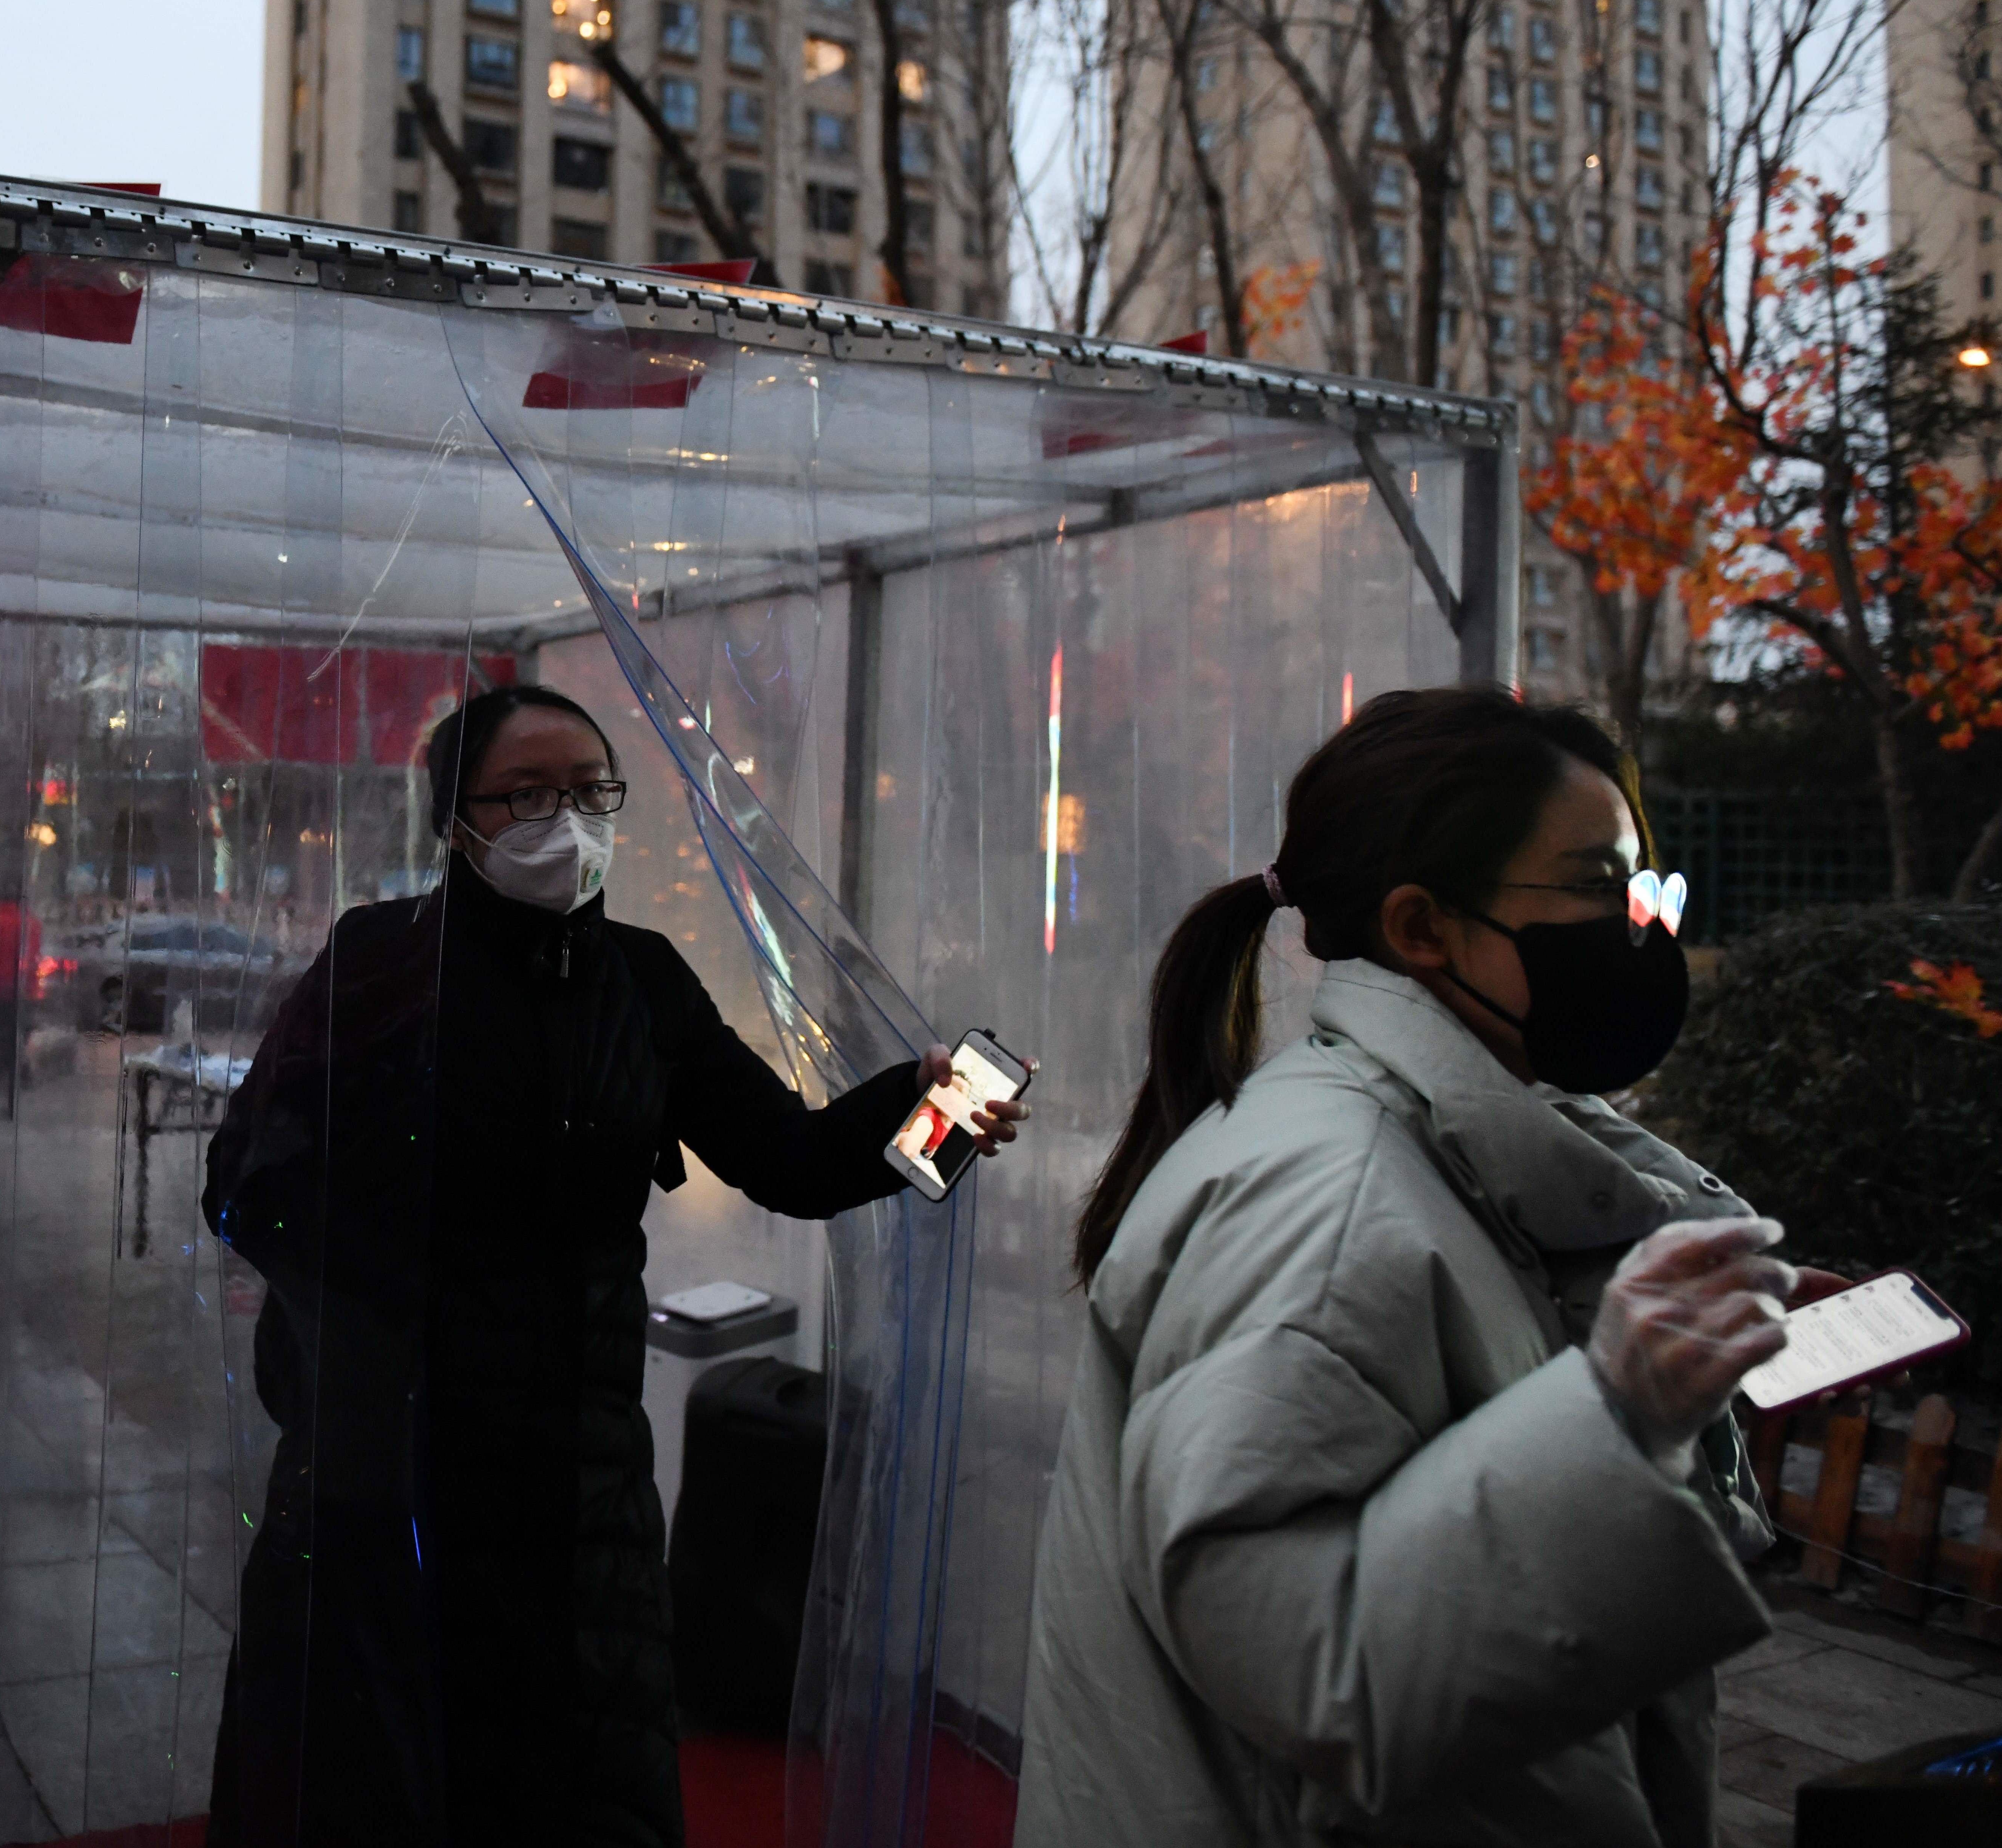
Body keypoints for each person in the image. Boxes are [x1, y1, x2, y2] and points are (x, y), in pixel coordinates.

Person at [199, 684, 1031, 1848]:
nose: (568, 821)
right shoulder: (377, 965)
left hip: (578, 1498)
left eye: (593, 792)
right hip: (387, 1483)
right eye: (528, 794)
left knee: (576, 1801)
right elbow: (245, 1185)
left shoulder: (640, 981)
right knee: (373, 1796)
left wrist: (935, 1118)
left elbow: (788, 1158)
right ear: (455, 820)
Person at [1015, 687, 1826, 1848]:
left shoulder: (1434, 1138)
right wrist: (1610, 1409)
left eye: (1640, 885)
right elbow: (1309, 1665)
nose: (1638, 926)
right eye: (1600, 885)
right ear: (1420, 927)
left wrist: (1678, 1341)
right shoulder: (1326, 1198)